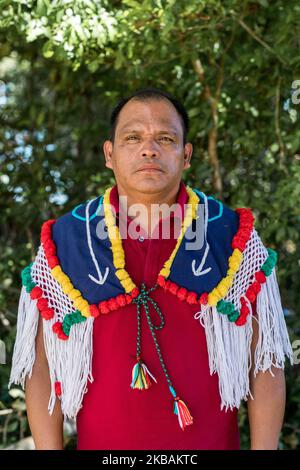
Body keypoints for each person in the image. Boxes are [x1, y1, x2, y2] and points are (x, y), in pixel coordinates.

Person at [9, 87, 293, 450]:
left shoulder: (230, 236)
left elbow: (264, 360)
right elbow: (41, 367)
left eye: (165, 138)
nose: (149, 149)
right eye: (132, 137)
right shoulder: (65, 242)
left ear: (186, 154)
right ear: (109, 154)